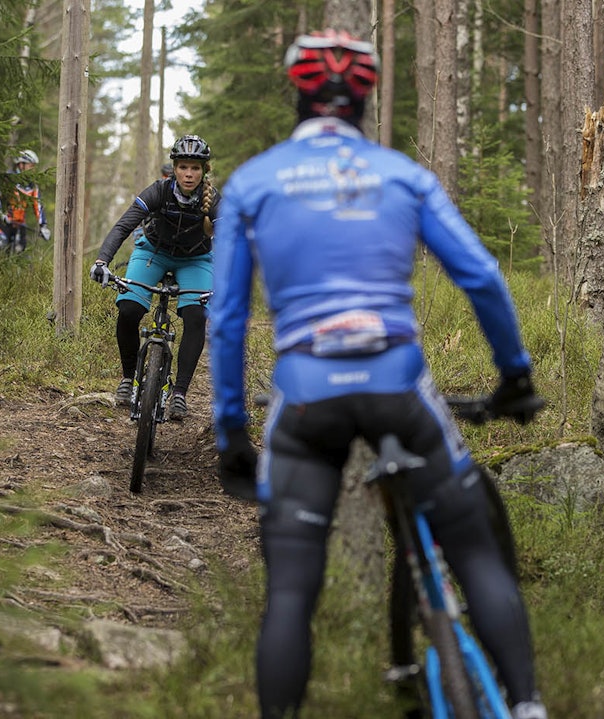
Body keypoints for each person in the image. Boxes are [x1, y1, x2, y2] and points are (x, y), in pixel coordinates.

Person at [208, 29, 548, 719]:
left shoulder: (251, 183)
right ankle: (528, 705)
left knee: (292, 594)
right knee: (475, 549)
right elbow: (481, 275)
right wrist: (514, 374)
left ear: (297, 93)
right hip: (398, 388)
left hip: (304, 400)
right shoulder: (404, 176)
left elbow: (225, 318)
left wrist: (231, 431)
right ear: (364, 97)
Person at [89, 135, 220, 421]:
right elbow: (124, 225)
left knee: (196, 314)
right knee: (129, 308)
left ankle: (180, 394)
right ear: (174, 168)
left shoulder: (214, 201)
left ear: (204, 171)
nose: (189, 173)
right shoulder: (158, 191)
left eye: (195, 168)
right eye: (183, 166)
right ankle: (127, 379)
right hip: (153, 252)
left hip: (195, 259)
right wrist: (102, 261)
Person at [0, 149, 50, 253]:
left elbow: (38, 205)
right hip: (2, 225)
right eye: (31, 166)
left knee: (20, 257)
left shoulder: (33, 185)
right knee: (1, 255)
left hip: (19, 225)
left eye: (34, 166)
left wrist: (43, 226)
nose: (33, 169)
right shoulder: (8, 179)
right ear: (21, 165)